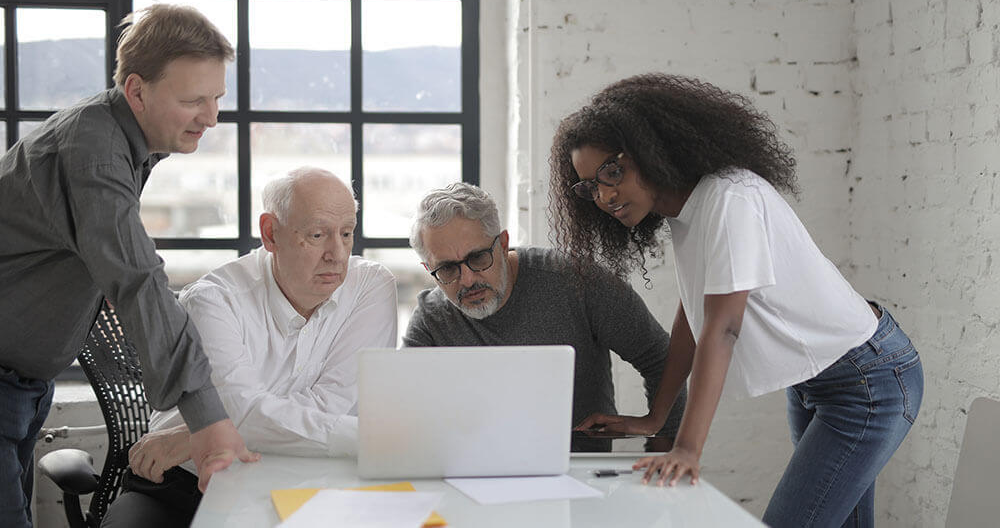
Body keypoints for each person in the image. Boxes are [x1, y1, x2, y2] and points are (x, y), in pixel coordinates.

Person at [549, 73, 923, 528]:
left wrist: (687, 447)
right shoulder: (684, 210)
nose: (605, 195)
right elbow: (694, 313)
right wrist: (655, 419)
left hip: (866, 382)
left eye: (612, 171)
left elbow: (723, 328)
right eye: (590, 185)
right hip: (816, 384)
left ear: (650, 149)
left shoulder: (729, 198)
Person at [0, 4, 257, 527]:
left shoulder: (123, 140)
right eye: (193, 101)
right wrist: (205, 419)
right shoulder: (93, 151)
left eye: (216, 98)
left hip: (24, 384)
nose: (211, 117)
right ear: (137, 91)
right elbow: (137, 277)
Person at [101, 167, 397, 527]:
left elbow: (335, 406)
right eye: (317, 234)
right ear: (271, 233)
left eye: (347, 233)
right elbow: (245, 410)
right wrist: (221, 426)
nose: (336, 253)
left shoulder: (370, 287)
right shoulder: (214, 301)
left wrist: (199, 432)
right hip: (186, 482)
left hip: (306, 481)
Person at [404, 182, 686, 443]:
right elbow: (404, 407)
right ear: (429, 270)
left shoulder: (577, 281)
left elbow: (661, 358)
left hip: (580, 476)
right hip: (465, 476)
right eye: (448, 269)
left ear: (503, 244)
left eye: (478, 258)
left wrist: (663, 445)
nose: (467, 280)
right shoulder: (431, 318)